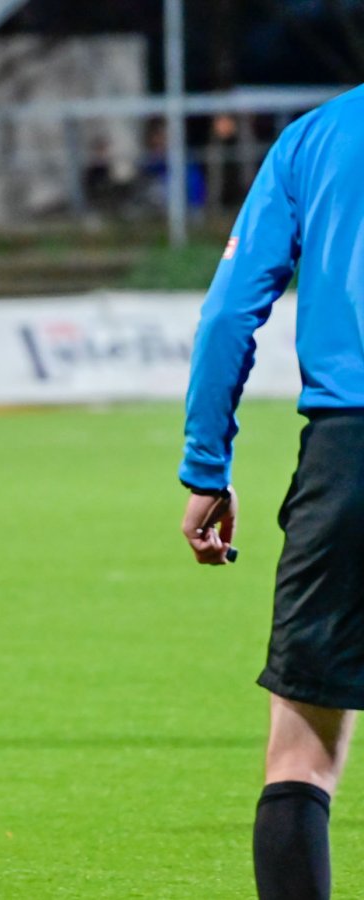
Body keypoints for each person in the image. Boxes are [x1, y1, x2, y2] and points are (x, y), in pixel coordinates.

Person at [179, 84, 364, 900]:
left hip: (347, 460)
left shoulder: (315, 137)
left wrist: (206, 469)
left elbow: (227, 317)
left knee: (301, 756)